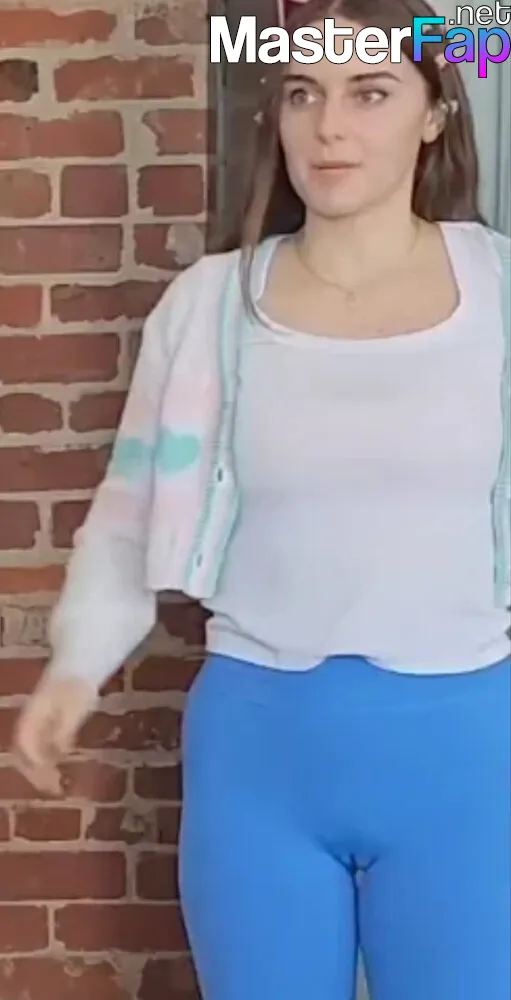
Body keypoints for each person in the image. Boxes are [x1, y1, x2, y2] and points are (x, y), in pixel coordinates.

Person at [13, 0, 510, 998]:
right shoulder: (208, 306)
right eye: (302, 94)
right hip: (258, 753)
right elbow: (131, 503)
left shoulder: (499, 289)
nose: (329, 128)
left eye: (369, 92)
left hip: (462, 753)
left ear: (433, 114)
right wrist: (75, 667)